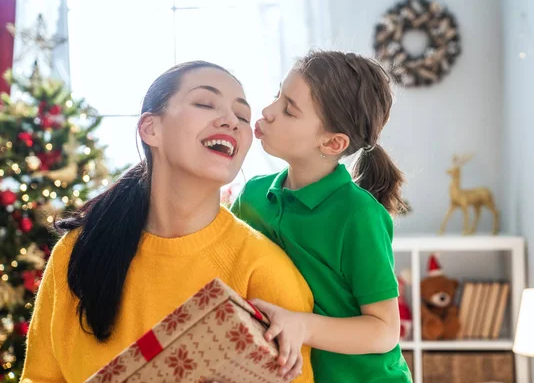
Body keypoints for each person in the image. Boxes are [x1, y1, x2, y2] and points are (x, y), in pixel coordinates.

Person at [21, 61, 314, 382]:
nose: (232, 121)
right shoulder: (78, 251)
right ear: (151, 129)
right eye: (204, 103)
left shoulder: (266, 272)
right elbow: (40, 377)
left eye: (242, 116)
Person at [232, 50, 413, 383]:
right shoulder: (253, 195)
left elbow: (385, 330)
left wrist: (302, 326)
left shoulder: (358, 215)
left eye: (289, 109)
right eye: (277, 96)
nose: (269, 112)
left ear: (332, 143)